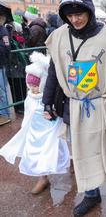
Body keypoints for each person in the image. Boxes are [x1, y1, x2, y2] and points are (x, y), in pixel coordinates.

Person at [42, 0, 106, 216]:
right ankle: (92, 195)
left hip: (101, 103)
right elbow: (54, 70)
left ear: (89, 11)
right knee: (82, 150)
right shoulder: (59, 37)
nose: (75, 19)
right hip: (73, 105)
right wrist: (47, 101)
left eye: (79, 13)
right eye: (70, 15)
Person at [0, 51, 70, 194]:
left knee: (59, 148)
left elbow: (57, 111)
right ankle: (42, 178)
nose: (33, 88)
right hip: (35, 132)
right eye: (30, 85)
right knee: (38, 154)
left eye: (36, 85)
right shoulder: (30, 97)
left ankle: (72, 161)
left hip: (51, 130)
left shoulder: (49, 95)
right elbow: (28, 113)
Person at [0, 2, 13, 125]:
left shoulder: (3, 30)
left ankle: (4, 115)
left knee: (2, 90)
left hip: (1, 64)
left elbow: (6, 47)